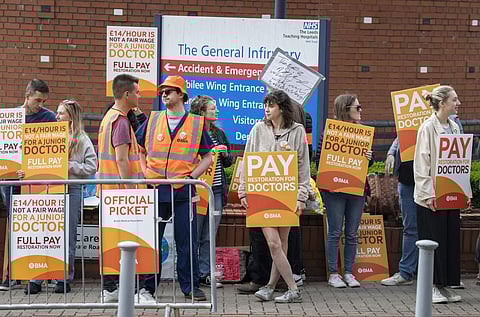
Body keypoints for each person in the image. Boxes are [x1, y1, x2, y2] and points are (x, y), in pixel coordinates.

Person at [136, 75, 214, 301]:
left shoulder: (196, 124)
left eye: (169, 90)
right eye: (163, 91)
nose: (164, 94)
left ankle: (190, 288)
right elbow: (140, 150)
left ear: (181, 94)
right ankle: (148, 288)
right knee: (152, 240)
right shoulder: (153, 120)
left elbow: (208, 156)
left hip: (183, 190)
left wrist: (192, 176)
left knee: (186, 241)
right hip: (156, 188)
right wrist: (145, 173)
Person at [238, 90, 310, 303]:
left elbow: (303, 167)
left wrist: (301, 197)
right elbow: (247, 159)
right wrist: (243, 190)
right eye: (265, 105)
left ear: (282, 107)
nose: (267, 109)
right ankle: (293, 288)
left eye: (271, 105)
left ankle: (269, 286)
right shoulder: (258, 129)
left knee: (283, 242)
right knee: (274, 244)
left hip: (287, 193)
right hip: (262, 193)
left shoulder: (297, 131)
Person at [0, 79, 57, 293]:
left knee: (35, 225)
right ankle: (12, 274)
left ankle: (36, 274)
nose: (40, 104)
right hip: (12, 179)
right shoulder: (11, 118)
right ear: (27, 95)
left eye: (43, 100)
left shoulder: (49, 118)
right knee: (16, 226)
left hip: (36, 181)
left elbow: (53, 152)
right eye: (37, 100)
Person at [414, 85, 469, 304]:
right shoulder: (427, 128)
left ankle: (444, 285)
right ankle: (431, 286)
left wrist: (464, 191)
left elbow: (460, 163)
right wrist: (428, 194)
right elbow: (422, 163)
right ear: (443, 103)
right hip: (432, 198)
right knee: (432, 239)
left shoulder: (455, 127)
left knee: (448, 241)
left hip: (450, 196)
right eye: (455, 99)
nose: (459, 103)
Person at [315, 94, 373, 288]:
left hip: (356, 187)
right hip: (335, 189)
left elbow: (366, 165)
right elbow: (321, 159)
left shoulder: (364, 132)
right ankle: (333, 273)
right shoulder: (330, 132)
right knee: (334, 231)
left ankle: (348, 272)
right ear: (345, 109)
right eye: (357, 107)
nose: (360, 110)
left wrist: (368, 157)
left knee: (351, 233)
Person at [96, 74, 146, 302]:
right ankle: (116, 288)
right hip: (120, 193)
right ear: (127, 95)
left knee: (110, 241)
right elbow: (122, 160)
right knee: (125, 241)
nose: (139, 96)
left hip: (107, 190)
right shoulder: (121, 122)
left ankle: (110, 288)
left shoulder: (109, 118)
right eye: (136, 92)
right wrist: (130, 189)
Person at [189, 95, 233, 288]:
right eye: (212, 108)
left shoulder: (219, 133)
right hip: (197, 189)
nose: (216, 111)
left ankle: (205, 274)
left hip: (215, 190)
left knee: (209, 234)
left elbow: (229, 161)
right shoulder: (191, 132)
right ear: (201, 112)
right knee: (194, 234)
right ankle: (190, 274)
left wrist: (224, 154)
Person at [54, 99, 96, 293]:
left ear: (71, 117)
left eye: (61, 113)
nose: (57, 116)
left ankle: (64, 278)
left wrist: (70, 166)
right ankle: (40, 278)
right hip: (50, 189)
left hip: (72, 189)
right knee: (48, 234)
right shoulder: (51, 136)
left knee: (68, 234)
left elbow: (92, 166)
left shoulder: (82, 139)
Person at [381, 137, 417, 286]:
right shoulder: (408, 117)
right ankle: (406, 272)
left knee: (427, 227)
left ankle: (435, 273)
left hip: (430, 179)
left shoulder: (443, 120)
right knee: (410, 228)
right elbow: (401, 135)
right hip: (407, 178)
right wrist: (391, 152)